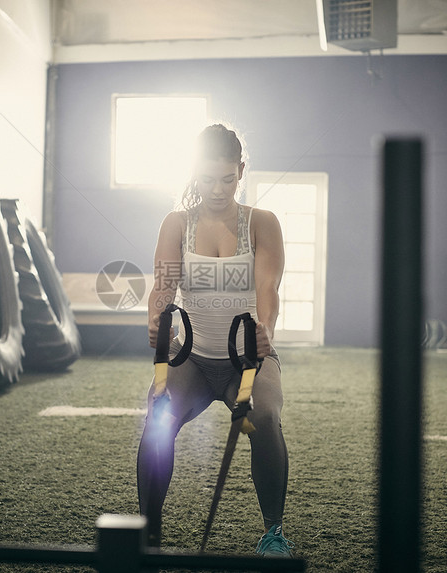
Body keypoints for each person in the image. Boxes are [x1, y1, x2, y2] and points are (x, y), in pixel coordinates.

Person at [137, 124, 293, 556]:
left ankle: (273, 532)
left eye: (228, 178)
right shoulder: (177, 224)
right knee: (157, 417)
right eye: (208, 179)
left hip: (248, 360)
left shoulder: (261, 223)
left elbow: (268, 290)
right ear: (194, 173)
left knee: (263, 416)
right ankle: (149, 533)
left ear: (241, 171)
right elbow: (164, 287)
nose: (218, 189)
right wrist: (157, 319)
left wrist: (265, 329)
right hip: (193, 362)